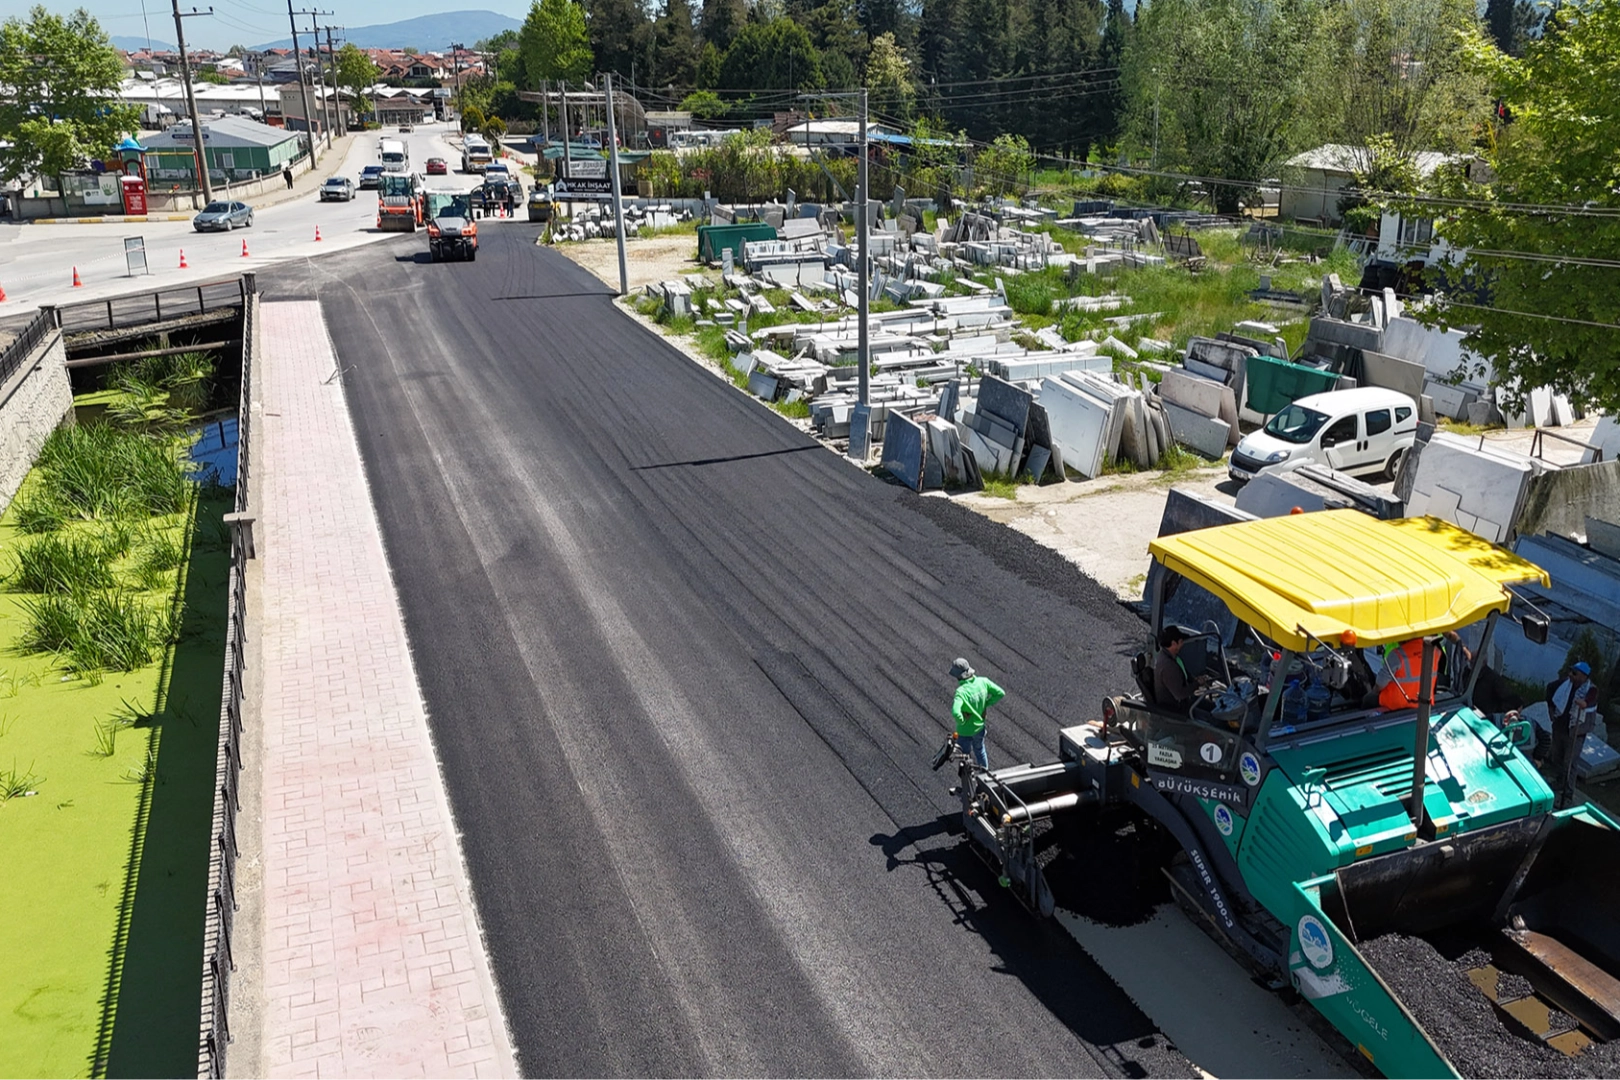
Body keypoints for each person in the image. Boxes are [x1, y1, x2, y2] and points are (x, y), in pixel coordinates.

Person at [1546, 661, 1598, 809]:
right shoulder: (1565, 684)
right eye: (1571, 672)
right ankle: (1559, 782)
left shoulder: (1591, 689)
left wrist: (1584, 703)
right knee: (1557, 757)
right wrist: (1551, 709)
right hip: (1560, 726)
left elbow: (1590, 699)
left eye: (1574, 673)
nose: (1570, 675)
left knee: (1570, 763)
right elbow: (1550, 688)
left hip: (1576, 731)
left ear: (1583, 676)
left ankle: (1567, 794)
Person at [949, 658, 1003, 769]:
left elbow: (955, 712)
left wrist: (962, 721)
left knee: (964, 755)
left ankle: (966, 778)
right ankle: (985, 774)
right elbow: (1000, 693)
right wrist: (986, 703)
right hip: (979, 728)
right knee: (980, 750)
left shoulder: (961, 692)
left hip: (964, 732)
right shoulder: (983, 682)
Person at [1153, 626, 1195, 710]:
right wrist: (1197, 684)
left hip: (1181, 703)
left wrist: (1194, 680)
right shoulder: (1168, 666)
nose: (1182, 644)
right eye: (1181, 642)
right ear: (1173, 644)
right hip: (1176, 711)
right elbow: (1180, 694)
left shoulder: (1166, 656)